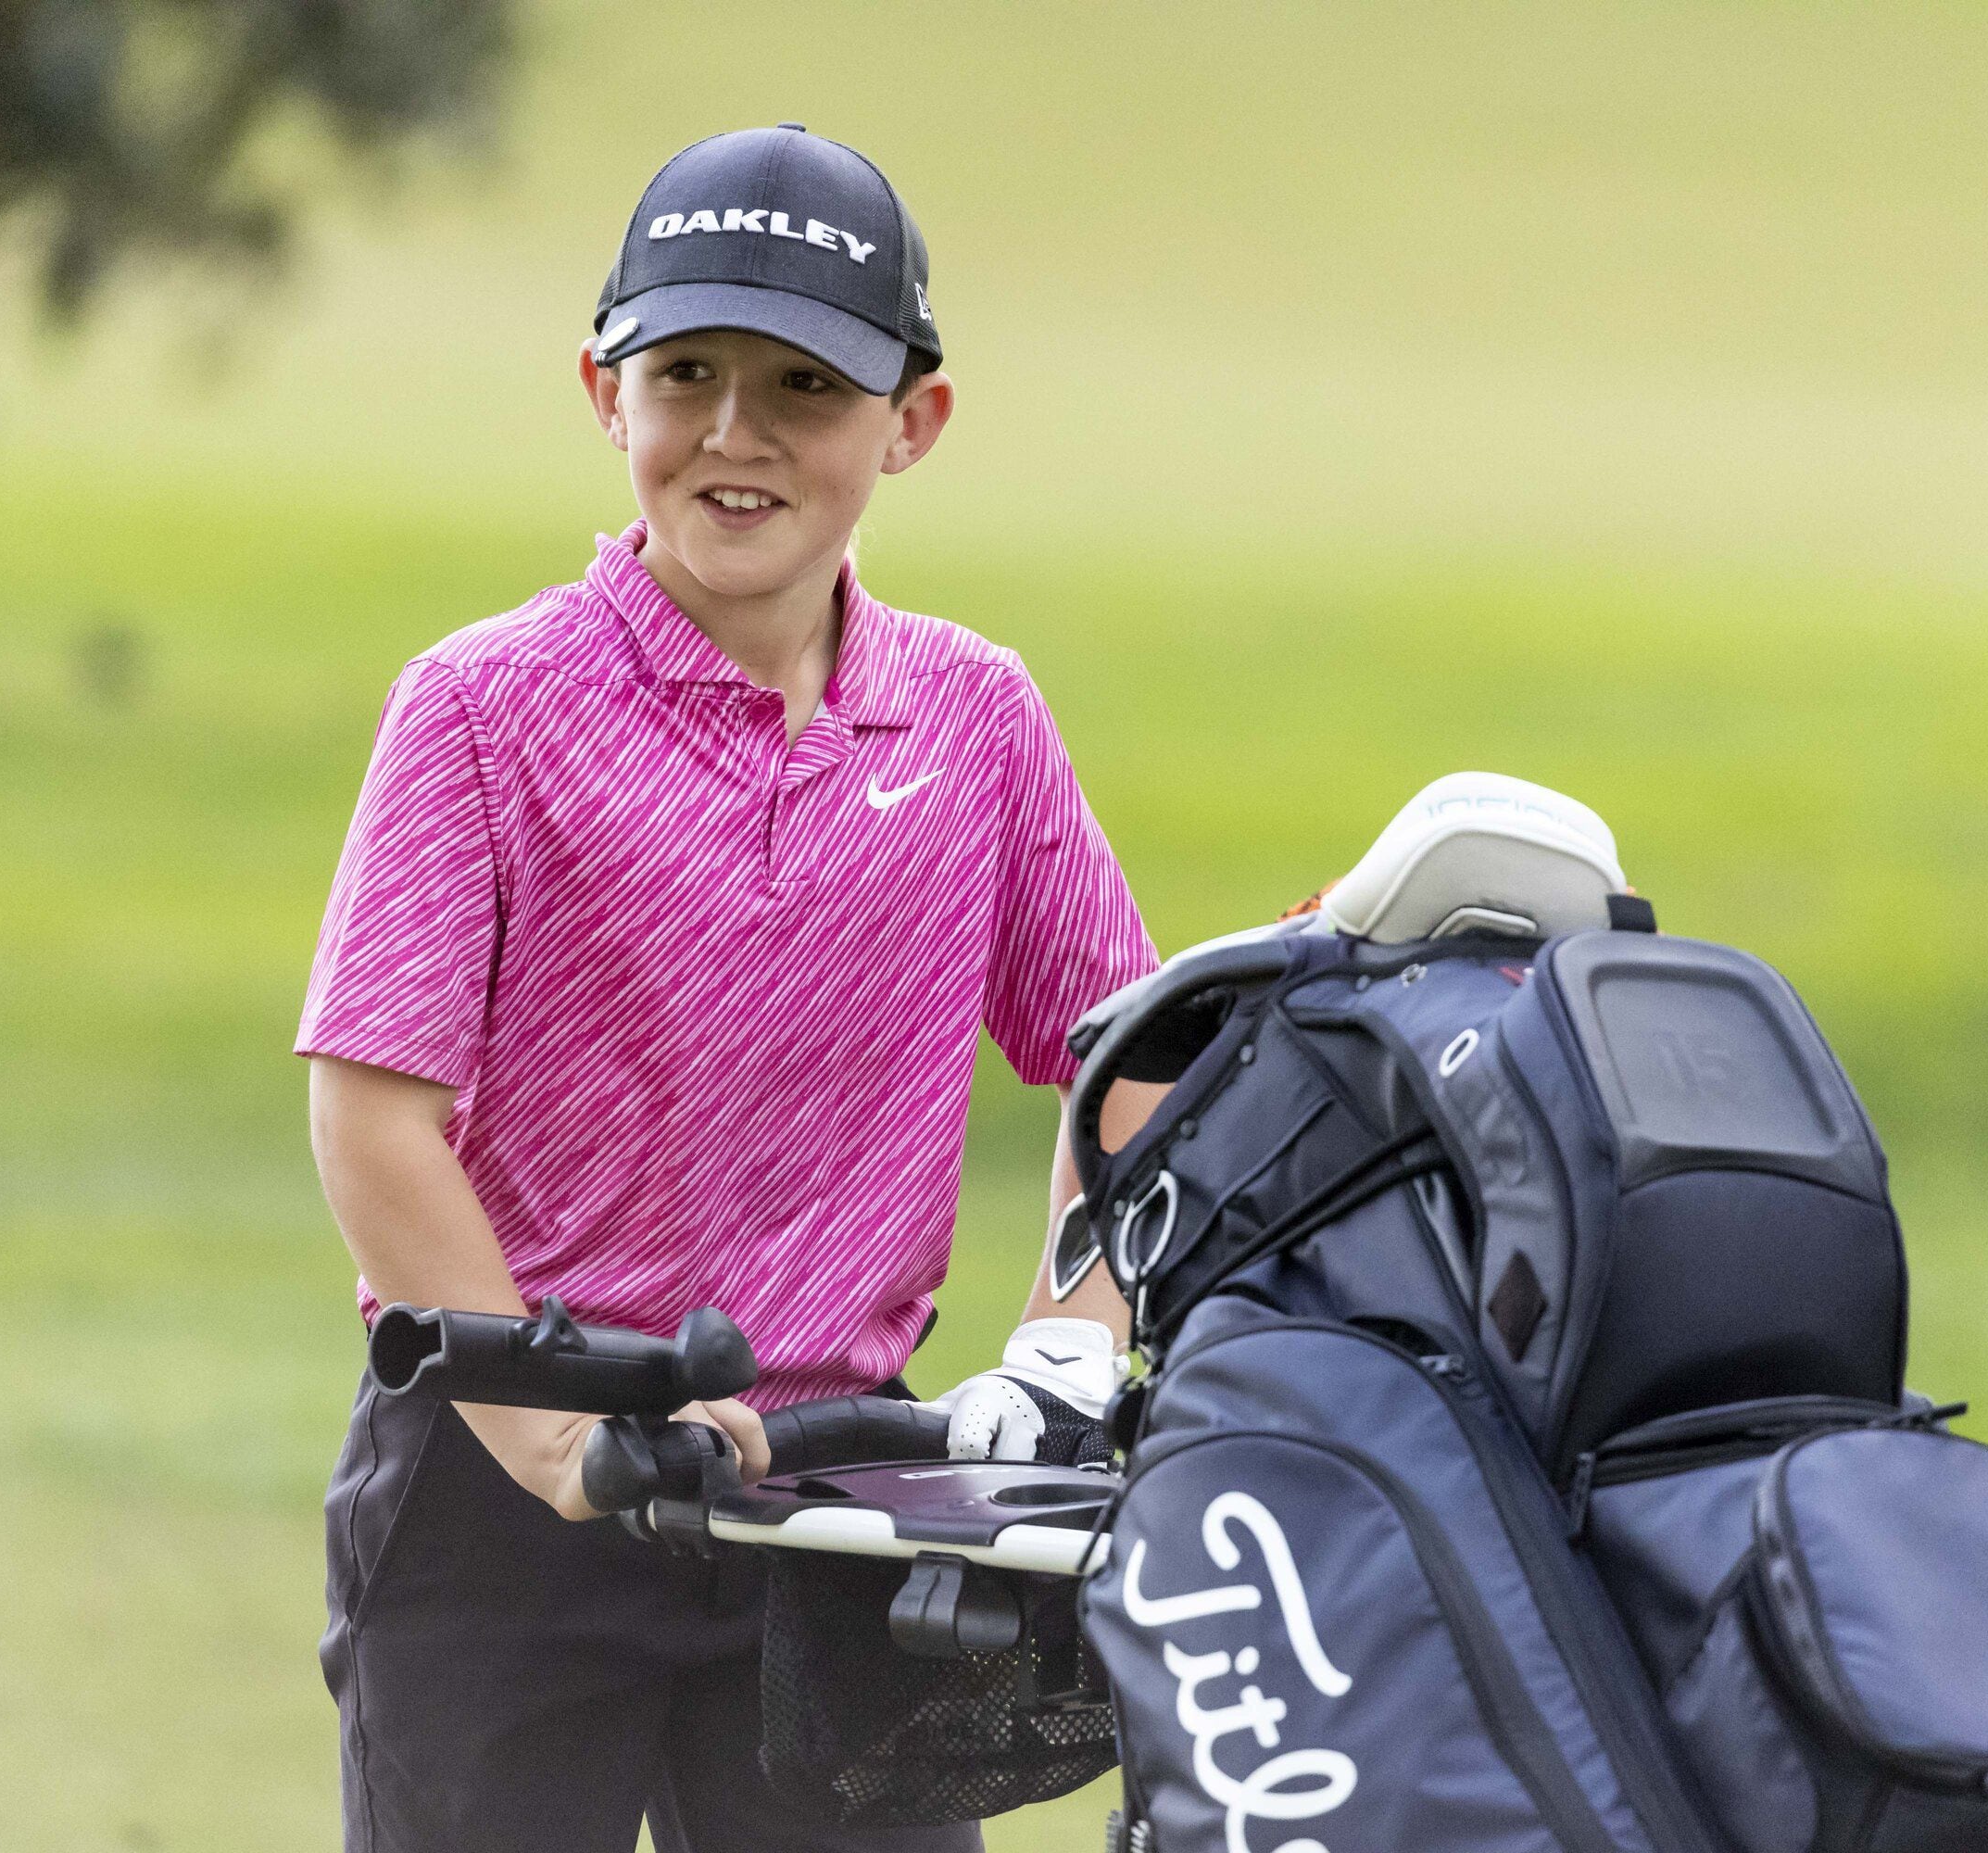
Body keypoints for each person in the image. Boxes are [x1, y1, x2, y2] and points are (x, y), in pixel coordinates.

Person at [295, 124, 1160, 1853]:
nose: (735, 434)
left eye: (806, 388)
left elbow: (1133, 1063)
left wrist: (1081, 1327)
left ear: (910, 422)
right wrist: (558, 1446)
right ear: (604, 388)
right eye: (686, 374)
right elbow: (375, 1114)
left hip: (837, 1498)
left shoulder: (975, 720)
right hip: (503, 1492)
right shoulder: (481, 708)